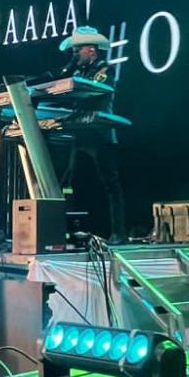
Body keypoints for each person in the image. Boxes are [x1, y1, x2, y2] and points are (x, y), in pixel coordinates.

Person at [54, 26, 125, 240]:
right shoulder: (78, 72)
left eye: (79, 50)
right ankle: (72, 230)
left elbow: (95, 94)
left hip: (100, 134)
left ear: (91, 50)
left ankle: (118, 232)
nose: (75, 54)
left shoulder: (105, 69)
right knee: (71, 182)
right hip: (82, 134)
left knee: (110, 184)